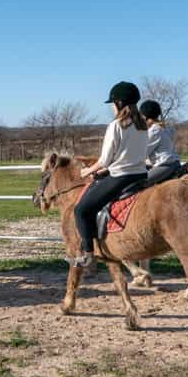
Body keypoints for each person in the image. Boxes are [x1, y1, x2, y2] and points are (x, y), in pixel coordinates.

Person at [72, 81, 148, 267]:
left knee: (81, 210)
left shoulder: (116, 126)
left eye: (113, 103)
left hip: (121, 177)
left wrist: (86, 171)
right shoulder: (143, 125)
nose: (113, 107)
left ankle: (88, 255)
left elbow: (105, 160)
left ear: (119, 103)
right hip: (140, 174)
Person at [139, 100, 182, 187]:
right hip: (174, 163)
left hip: (165, 165)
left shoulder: (154, 131)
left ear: (144, 116)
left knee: (139, 183)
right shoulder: (167, 128)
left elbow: (142, 153)